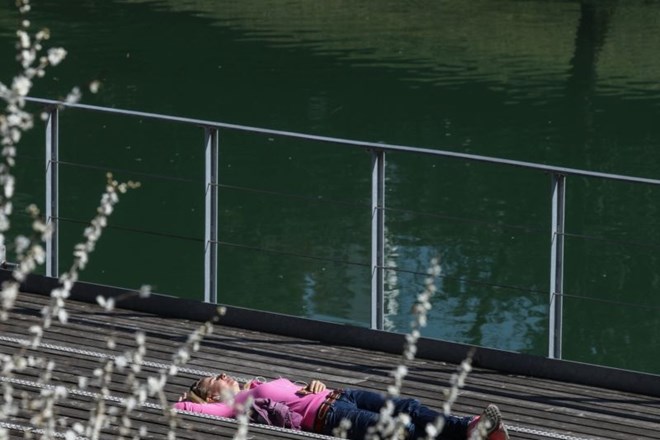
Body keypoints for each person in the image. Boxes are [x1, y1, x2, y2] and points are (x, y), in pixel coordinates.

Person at [174, 373, 510, 440]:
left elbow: (293, 392)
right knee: (400, 430)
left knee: (408, 405)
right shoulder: (232, 406)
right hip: (328, 416)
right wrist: (188, 398)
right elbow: (185, 410)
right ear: (214, 397)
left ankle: (467, 428)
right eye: (212, 380)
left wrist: (312, 385)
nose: (220, 374)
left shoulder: (252, 387)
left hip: (339, 395)